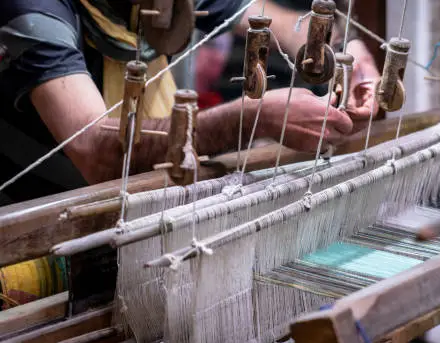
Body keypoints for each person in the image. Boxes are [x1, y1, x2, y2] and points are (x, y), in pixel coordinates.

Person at [0, 0, 357, 206]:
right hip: (40, 228)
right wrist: (252, 119)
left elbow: (276, 22)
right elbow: (97, 149)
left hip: (136, 215)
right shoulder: (32, 8)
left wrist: (347, 54)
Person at [208, 0, 381, 132]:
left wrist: (348, 43)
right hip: (250, 91)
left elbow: (341, 8)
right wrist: (293, 30)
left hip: (320, 85)